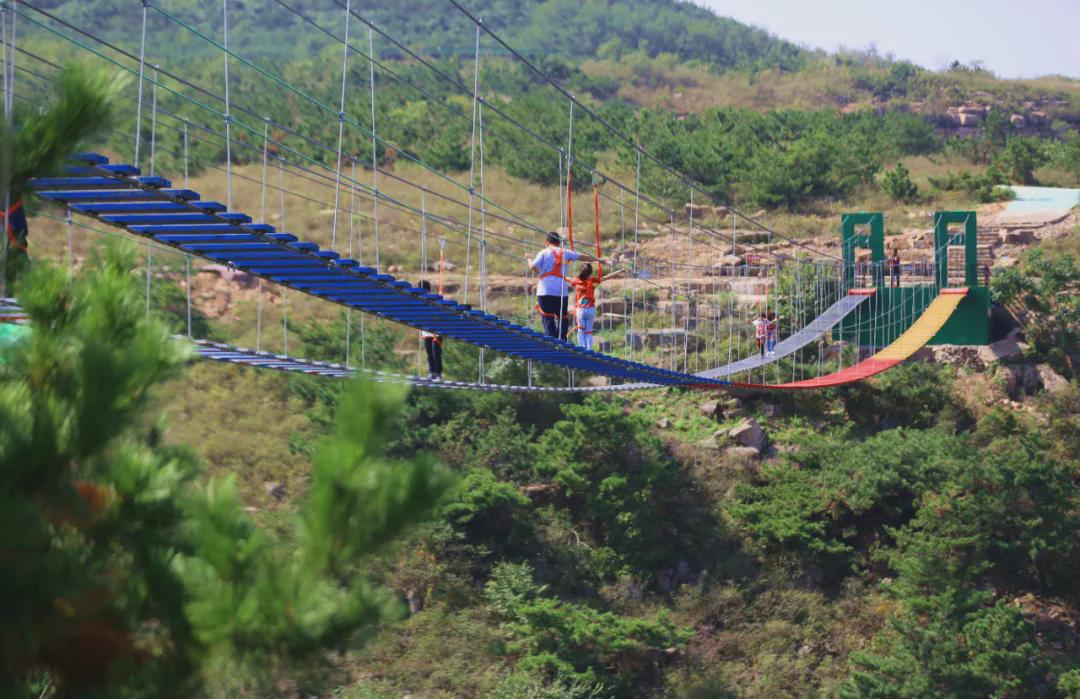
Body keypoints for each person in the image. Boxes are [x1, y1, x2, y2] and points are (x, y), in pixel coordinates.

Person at [527, 232, 598, 341]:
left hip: (545, 291)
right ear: (559, 242)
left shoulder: (543, 253)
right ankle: (562, 341)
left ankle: (551, 340)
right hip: (561, 291)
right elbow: (582, 257)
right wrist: (598, 260)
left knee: (547, 317)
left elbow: (533, 267)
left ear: (547, 243)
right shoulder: (565, 252)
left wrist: (529, 259)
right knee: (562, 317)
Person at [564, 263, 624, 351]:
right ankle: (589, 349)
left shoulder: (576, 280)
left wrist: (557, 271)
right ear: (591, 272)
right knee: (588, 331)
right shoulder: (593, 281)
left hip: (580, 309)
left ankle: (582, 347)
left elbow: (565, 278)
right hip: (590, 310)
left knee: (581, 330)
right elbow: (606, 277)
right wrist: (620, 271)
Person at [417, 280, 443, 381]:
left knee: (436, 351)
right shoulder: (418, 299)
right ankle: (432, 372)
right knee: (429, 352)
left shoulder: (433, 299)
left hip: (436, 330)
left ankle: (438, 373)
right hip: (426, 330)